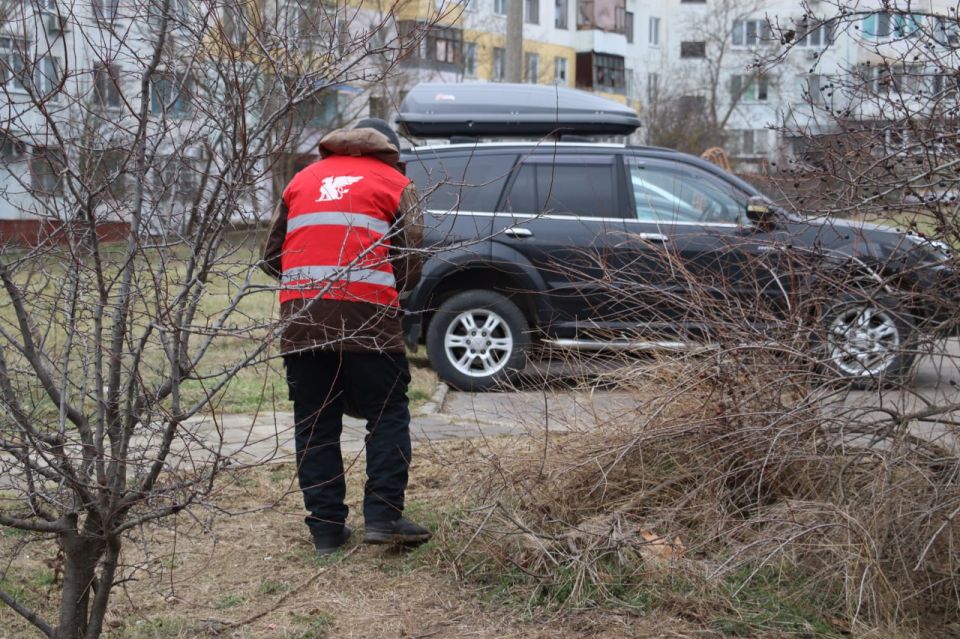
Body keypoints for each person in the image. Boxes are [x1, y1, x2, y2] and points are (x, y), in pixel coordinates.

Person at [261, 118, 429, 554]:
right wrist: (385, 287)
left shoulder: (301, 181)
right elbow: (411, 261)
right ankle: (384, 516)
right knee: (387, 413)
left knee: (315, 421)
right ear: (390, 152)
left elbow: (270, 256)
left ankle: (326, 531)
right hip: (368, 317)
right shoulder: (396, 184)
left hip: (303, 318)